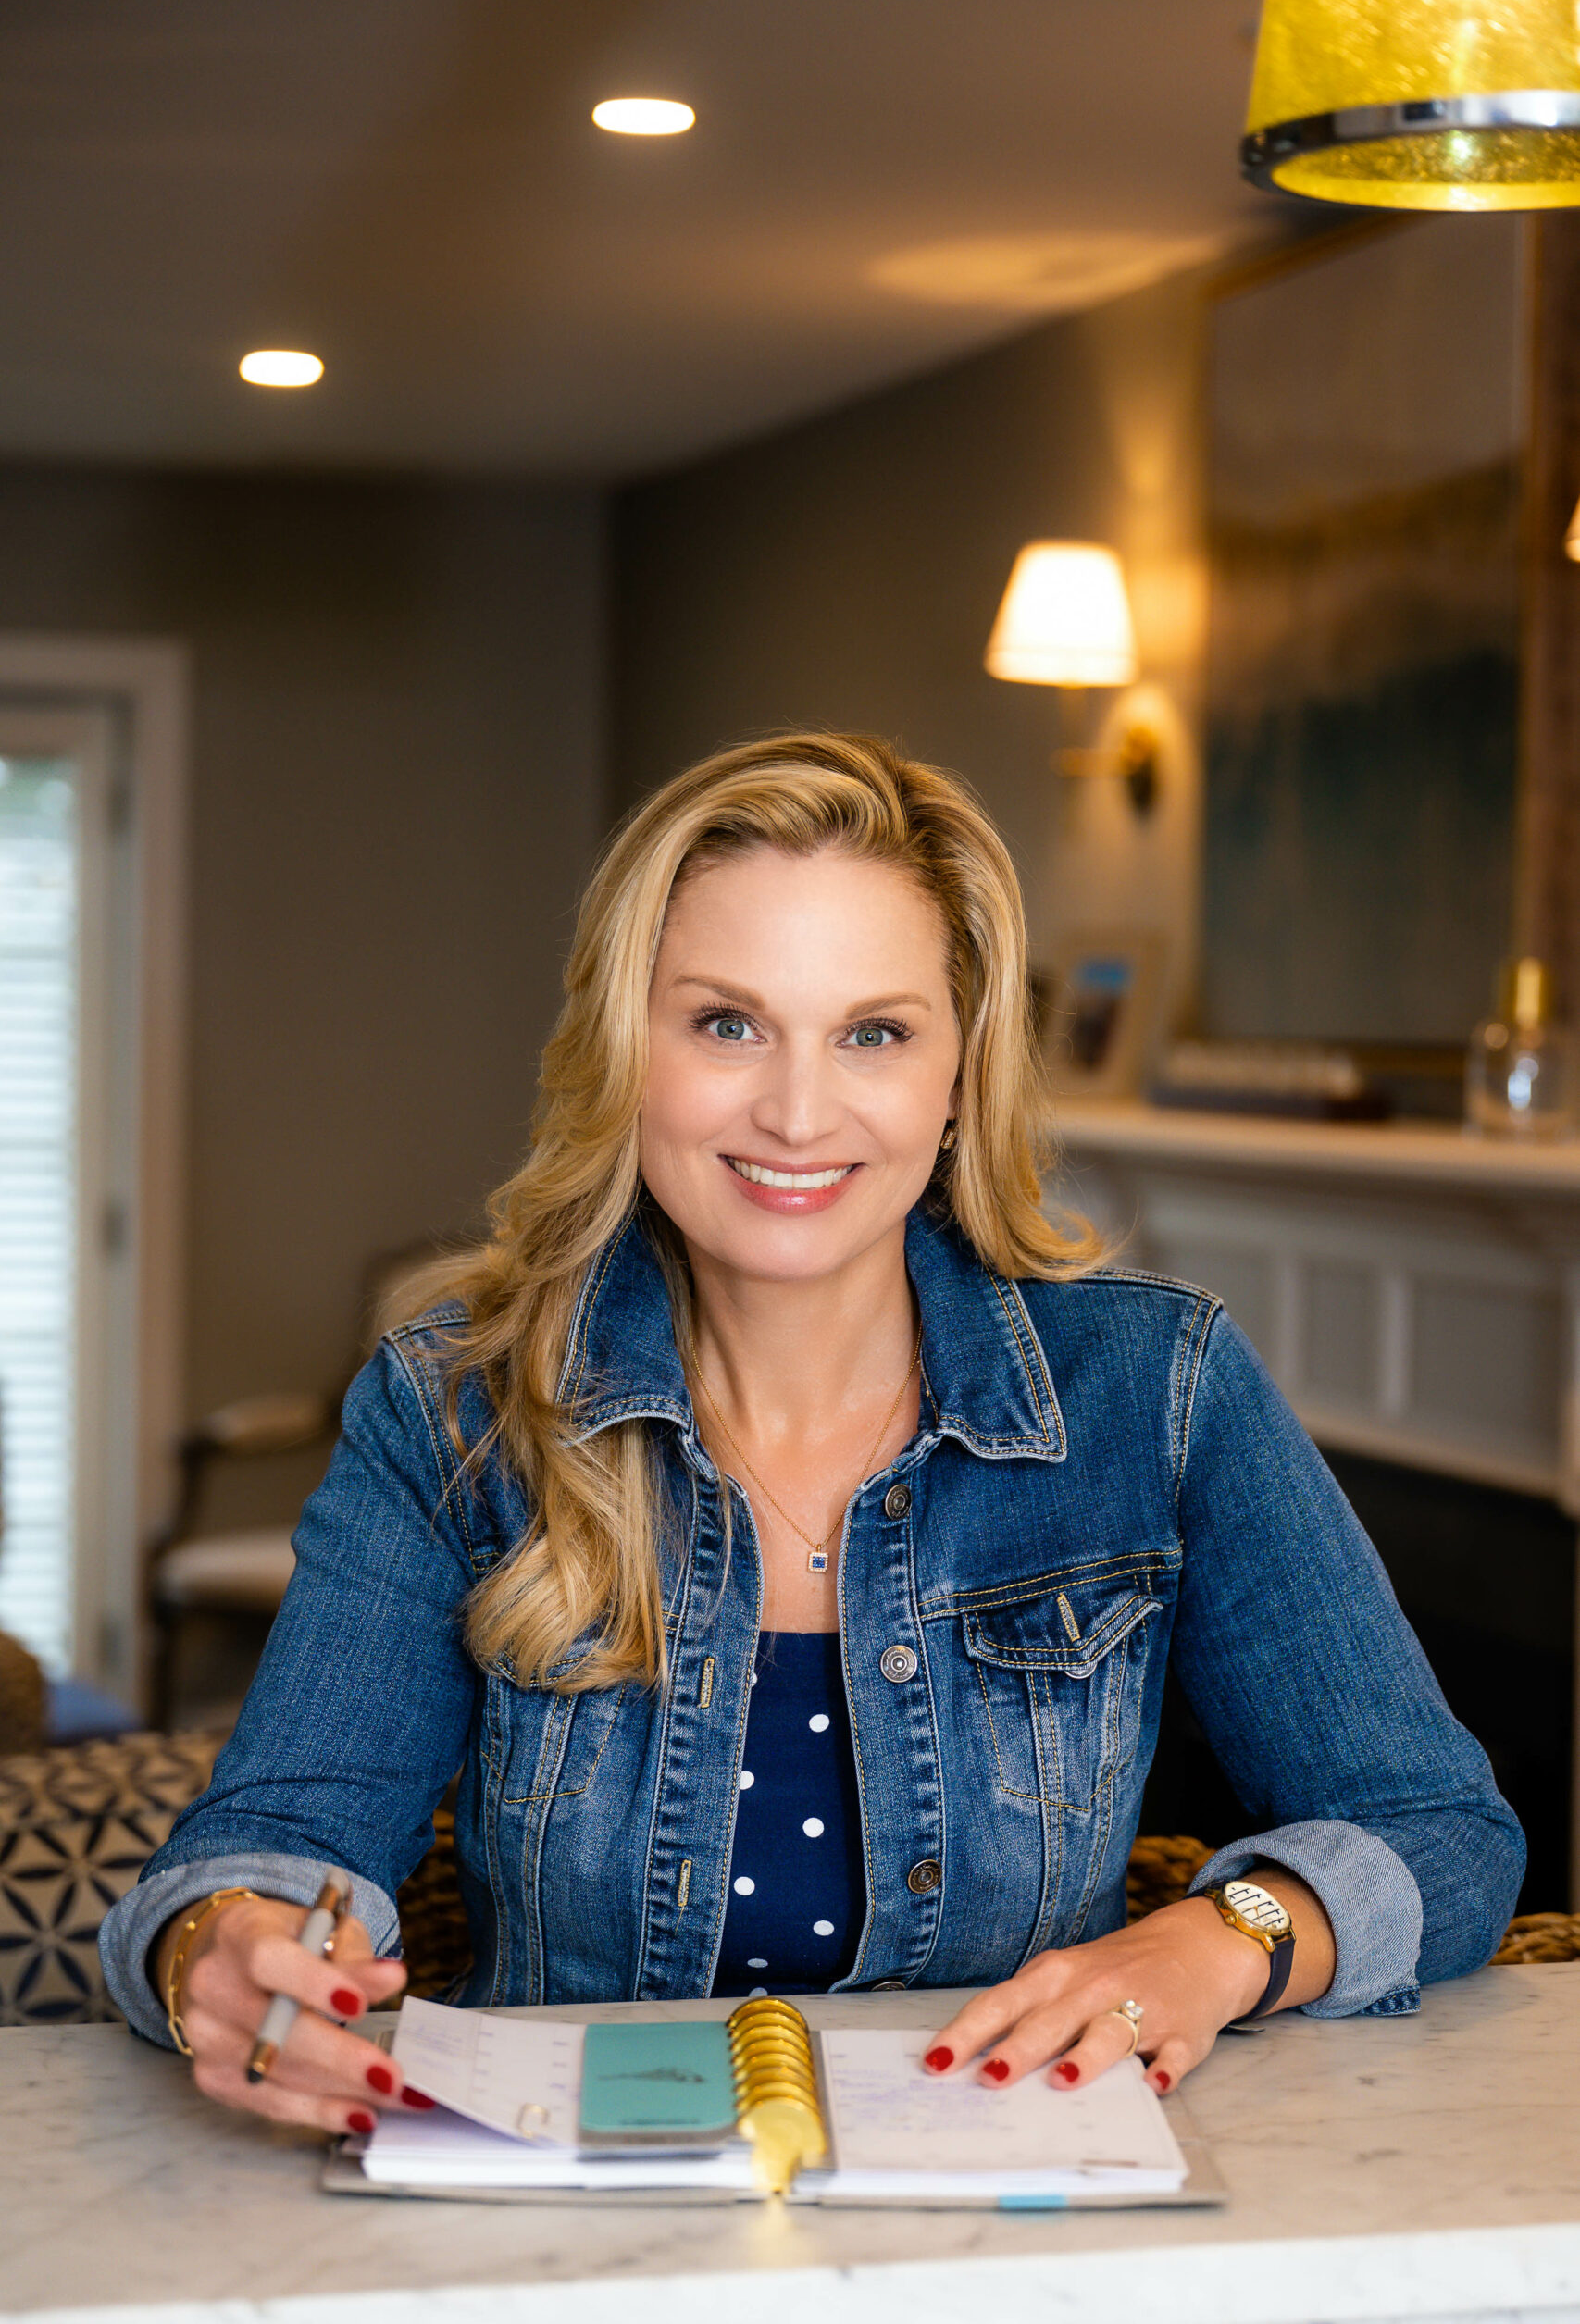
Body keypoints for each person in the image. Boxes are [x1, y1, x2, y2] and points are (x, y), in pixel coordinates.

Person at [102, 730, 1524, 2139]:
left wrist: (1218, 1940)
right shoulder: (456, 1408)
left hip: (1018, 2213)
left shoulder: (1155, 1389)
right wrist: (223, 1947)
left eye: (874, 1034)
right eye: (727, 1024)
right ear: (626, 1050)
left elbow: (1441, 1832)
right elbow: (269, 1846)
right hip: (564, 2217)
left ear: (961, 1076)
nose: (794, 1111)